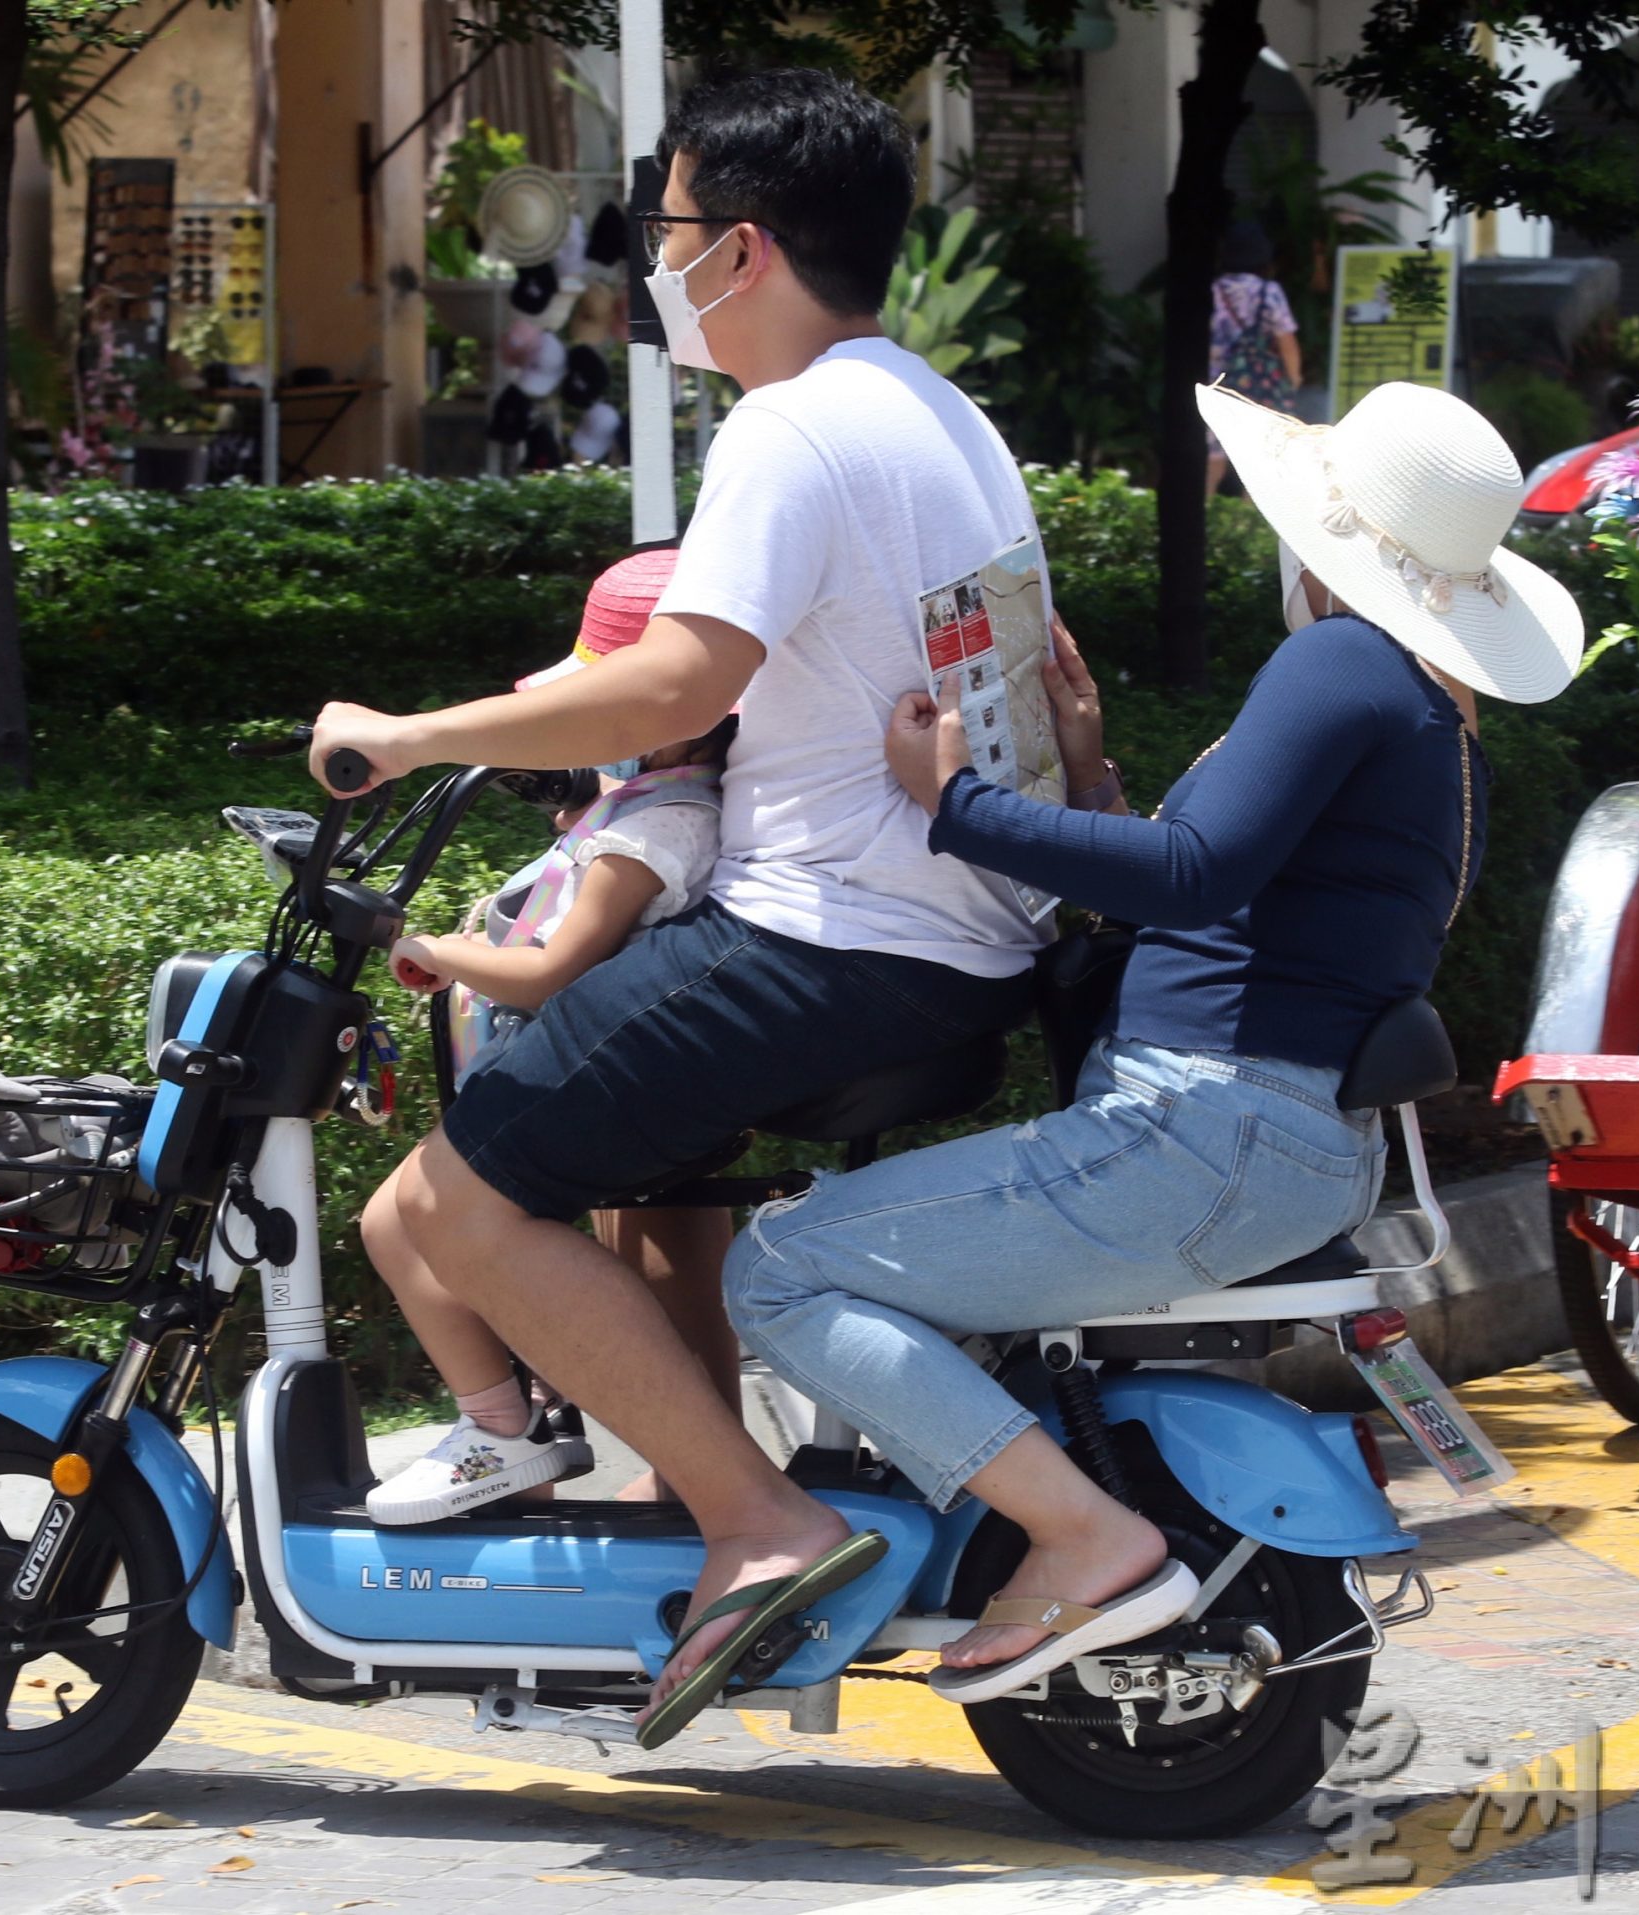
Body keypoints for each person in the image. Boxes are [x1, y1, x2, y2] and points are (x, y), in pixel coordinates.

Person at [311, 68, 1043, 1746]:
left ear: (750, 250)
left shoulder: (793, 428)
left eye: (672, 229)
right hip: (955, 943)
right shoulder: (939, 412)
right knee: (654, 1188)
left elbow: (665, 689)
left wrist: (410, 735)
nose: (657, 262)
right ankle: (696, 1530)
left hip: (832, 942)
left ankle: (758, 1521)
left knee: (461, 1202)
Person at [724, 379, 1585, 1705]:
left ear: (1329, 544)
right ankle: (1024, 1522)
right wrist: (1091, 777)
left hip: (1197, 1129)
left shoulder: (1340, 660)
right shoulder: (1438, 729)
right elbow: (1234, 900)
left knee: (778, 1267)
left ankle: (1081, 1533)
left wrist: (949, 803)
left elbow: (1188, 875)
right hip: (1280, 1143)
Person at [361, 548, 742, 1525]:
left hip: (599, 1073)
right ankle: (687, 1472)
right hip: (644, 1071)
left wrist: (441, 951)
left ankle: (500, 1429)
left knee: (401, 1216)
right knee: (662, 1257)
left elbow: (550, 968)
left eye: (607, 700)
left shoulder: (653, 828)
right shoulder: (661, 808)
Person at [1204, 219, 1301, 501]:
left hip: (1215, 383)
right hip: (1262, 385)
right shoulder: (1268, 292)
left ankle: (1203, 515)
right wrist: (1293, 378)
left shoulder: (1212, 291)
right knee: (1260, 457)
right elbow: (1286, 341)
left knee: (1213, 456)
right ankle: (1249, 524)